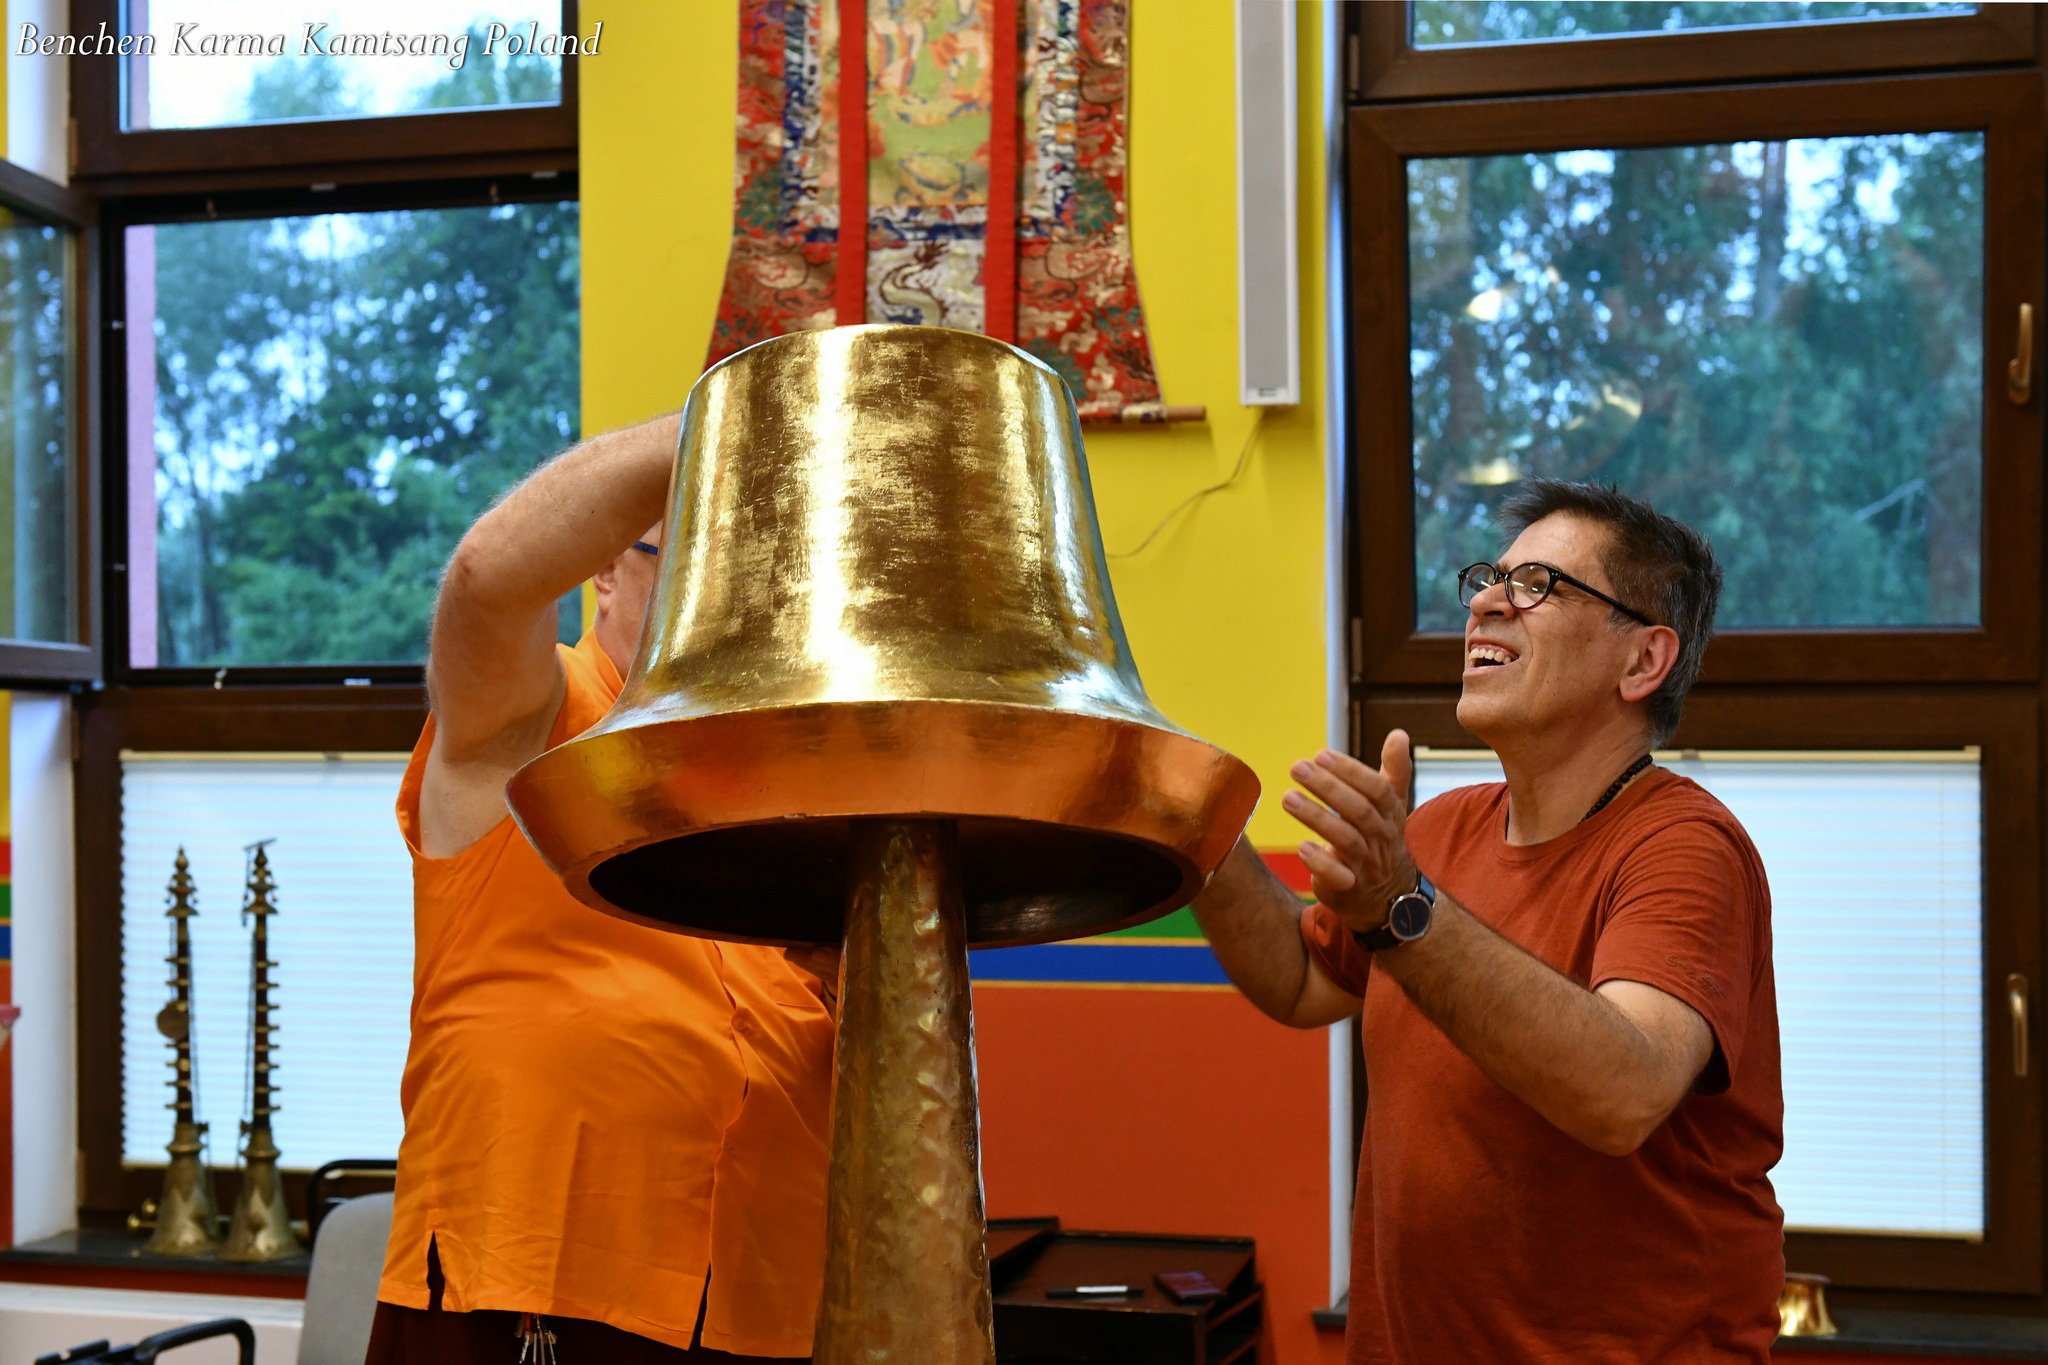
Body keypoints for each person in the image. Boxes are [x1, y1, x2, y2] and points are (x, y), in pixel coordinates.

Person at [1194, 480, 1782, 1363]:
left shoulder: (1686, 848)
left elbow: (1623, 1092)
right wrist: (1189, 814)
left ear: (1642, 660)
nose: (1485, 602)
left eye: (1539, 585)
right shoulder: (1439, 829)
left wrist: (1401, 906)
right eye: (1489, 578)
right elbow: (1302, 976)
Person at [366, 413, 837, 1364]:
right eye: (690, 564)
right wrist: (751, 411)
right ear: (607, 574)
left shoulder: (787, 802)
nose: (724, 603)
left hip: (764, 1318)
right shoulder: (532, 722)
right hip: (533, 1291)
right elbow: (487, 583)